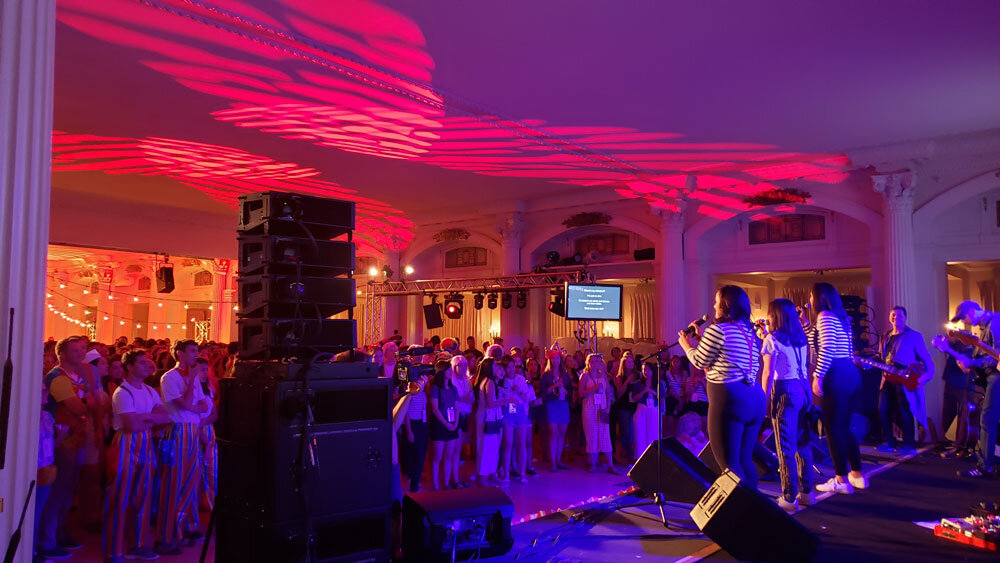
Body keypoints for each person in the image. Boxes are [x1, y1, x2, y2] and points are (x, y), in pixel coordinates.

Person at [679, 285, 765, 490]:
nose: (714, 305)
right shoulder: (750, 332)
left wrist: (686, 345)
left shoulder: (718, 330)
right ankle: (755, 505)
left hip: (730, 399)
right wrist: (700, 339)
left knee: (730, 465)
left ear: (726, 305)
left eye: (717, 301)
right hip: (754, 398)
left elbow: (699, 361)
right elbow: (725, 358)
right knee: (745, 460)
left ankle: (741, 507)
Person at [104, 350, 170, 563]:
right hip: (125, 444)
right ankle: (114, 551)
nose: (147, 365)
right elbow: (131, 425)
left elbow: (166, 417)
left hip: (146, 444)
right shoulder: (122, 392)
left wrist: (144, 417)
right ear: (130, 366)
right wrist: (151, 418)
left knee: (143, 497)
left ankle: (138, 544)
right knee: (120, 498)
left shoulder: (149, 390)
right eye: (141, 362)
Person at [810, 283, 867, 494]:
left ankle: (840, 479)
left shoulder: (824, 316)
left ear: (819, 298)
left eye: (811, 295)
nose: (810, 299)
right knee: (844, 426)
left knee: (832, 428)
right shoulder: (841, 318)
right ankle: (857, 474)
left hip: (835, 373)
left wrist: (818, 376)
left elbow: (827, 348)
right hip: (850, 373)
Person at [38, 336, 92, 559]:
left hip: (74, 437)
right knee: (56, 491)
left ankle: (59, 532)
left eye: (83, 348)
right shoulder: (57, 377)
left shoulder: (75, 376)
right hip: (61, 439)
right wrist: (91, 405)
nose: (81, 353)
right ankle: (47, 540)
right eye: (75, 350)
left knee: (67, 489)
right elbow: (79, 407)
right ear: (61, 354)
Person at [760, 298, 815, 512]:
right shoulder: (800, 337)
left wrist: (763, 399)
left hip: (784, 390)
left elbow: (767, 373)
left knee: (785, 446)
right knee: (803, 443)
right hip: (803, 388)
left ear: (774, 315)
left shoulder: (772, 339)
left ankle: (789, 496)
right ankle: (807, 492)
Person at [156, 340, 211, 554]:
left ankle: (184, 527)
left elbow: (204, 406)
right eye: (192, 351)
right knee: (174, 483)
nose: (196, 354)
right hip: (178, 431)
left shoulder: (194, 376)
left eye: (196, 351)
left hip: (193, 430)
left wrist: (192, 405)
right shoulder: (170, 377)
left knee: (191, 481)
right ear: (179, 353)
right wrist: (191, 392)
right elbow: (186, 404)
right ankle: (166, 535)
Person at [950, 300, 1000, 478]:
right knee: (990, 419)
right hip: (992, 376)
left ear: (972, 311)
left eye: (964, 317)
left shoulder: (995, 323)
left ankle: (984, 466)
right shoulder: (987, 326)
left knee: (987, 419)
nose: (965, 322)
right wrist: (972, 362)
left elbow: (996, 357)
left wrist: (972, 362)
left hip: (997, 376)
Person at [876, 306, 934, 455]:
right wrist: (868, 363)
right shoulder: (885, 336)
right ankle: (890, 442)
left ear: (905, 318)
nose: (896, 318)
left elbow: (925, 358)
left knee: (905, 410)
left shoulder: (914, 336)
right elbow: (881, 357)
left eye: (900, 315)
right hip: (887, 379)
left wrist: (927, 375)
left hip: (904, 379)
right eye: (893, 315)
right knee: (883, 409)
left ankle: (909, 444)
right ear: (889, 318)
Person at [932, 333, 976, 457]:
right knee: (947, 416)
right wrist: (940, 341)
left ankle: (959, 447)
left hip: (964, 387)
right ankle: (952, 444)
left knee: (963, 419)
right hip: (950, 383)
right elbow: (935, 342)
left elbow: (967, 368)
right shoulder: (956, 344)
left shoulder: (973, 351)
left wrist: (948, 349)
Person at [579, 353, 620, 474]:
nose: (595, 363)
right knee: (592, 434)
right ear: (588, 363)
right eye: (592, 361)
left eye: (597, 361)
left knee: (605, 434)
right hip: (590, 408)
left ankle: (610, 465)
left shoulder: (603, 376)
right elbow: (581, 393)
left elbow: (608, 392)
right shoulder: (585, 376)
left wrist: (608, 407)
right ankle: (593, 463)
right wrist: (594, 388)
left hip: (602, 407)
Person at [474, 358, 507, 485]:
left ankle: (491, 474)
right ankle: (484, 477)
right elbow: (491, 403)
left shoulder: (485, 381)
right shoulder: (490, 382)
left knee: (491, 447)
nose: (498, 369)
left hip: (488, 417)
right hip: (488, 418)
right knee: (487, 448)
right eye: (495, 366)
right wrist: (507, 400)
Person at [428, 360, 460, 490]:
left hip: (452, 423)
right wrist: (446, 423)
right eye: (448, 369)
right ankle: (435, 484)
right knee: (437, 456)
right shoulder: (436, 388)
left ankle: (446, 483)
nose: (450, 371)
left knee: (448, 455)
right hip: (440, 424)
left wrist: (456, 423)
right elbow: (435, 409)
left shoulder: (453, 388)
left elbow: (457, 407)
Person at [540, 349, 571, 471]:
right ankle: (552, 461)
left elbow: (570, 391)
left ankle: (558, 459)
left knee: (562, 433)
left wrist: (566, 390)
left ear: (560, 360)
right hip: (552, 404)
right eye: (553, 358)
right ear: (550, 360)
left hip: (563, 404)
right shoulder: (546, 375)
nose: (555, 360)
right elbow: (543, 392)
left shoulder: (565, 375)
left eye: (557, 358)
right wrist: (554, 386)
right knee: (553, 432)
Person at [401, 373, 429, 492]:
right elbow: (406, 413)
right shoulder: (410, 391)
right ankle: (413, 485)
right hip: (412, 424)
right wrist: (409, 431)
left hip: (422, 423)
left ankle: (414, 482)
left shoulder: (423, 391)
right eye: (420, 377)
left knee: (421, 455)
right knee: (413, 455)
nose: (422, 380)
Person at [451, 355, 475, 486]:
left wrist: (467, 398)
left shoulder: (467, 381)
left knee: (460, 448)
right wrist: (463, 398)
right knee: (455, 449)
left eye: (465, 365)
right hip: (456, 415)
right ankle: (455, 479)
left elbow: (471, 397)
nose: (463, 367)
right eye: (460, 365)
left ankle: (457, 477)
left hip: (466, 414)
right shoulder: (451, 381)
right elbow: (453, 399)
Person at [630, 360, 661, 459]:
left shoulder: (658, 383)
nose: (646, 372)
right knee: (640, 434)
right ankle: (639, 458)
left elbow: (662, 397)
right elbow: (634, 398)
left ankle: (652, 457)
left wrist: (651, 391)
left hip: (654, 409)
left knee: (653, 433)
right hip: (642, 409)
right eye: (644, 370)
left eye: (647, 369)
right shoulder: (638, 383)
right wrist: (643, 391)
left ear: (652, 370)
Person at [612, 350, 638, 463]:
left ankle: (634, 451)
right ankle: (627, 453)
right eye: (628, 362)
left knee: (635, 429)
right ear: (624, 364)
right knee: (626, 429)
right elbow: (620, 393)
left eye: (632, 362)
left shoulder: (637, 375)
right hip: (624, 406)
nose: (630, 364)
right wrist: (626, 382)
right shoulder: (619, 377)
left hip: (636, 405)